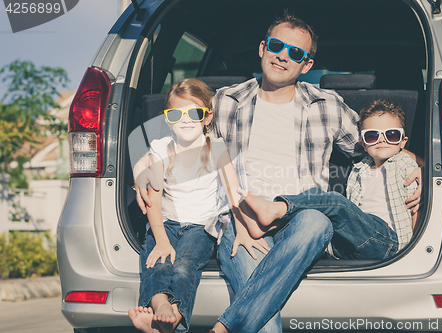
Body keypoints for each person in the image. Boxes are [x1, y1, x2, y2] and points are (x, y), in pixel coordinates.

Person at [134, 13, 422, 333]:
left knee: (317, 219)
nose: (283, 55)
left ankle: (226, 326)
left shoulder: (328, 105)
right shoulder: (226, 101)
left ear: (307, 65)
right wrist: (143, 169)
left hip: (299, 221)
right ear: (263, 48)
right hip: (241, 221)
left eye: (296, 53)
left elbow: (378, 142)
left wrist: (413, 163)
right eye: (276, 45)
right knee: (266, 321)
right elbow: (178, 134)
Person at [127, 78, 259, 333]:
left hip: (202, 226)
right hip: (165, 222)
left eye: (194, 113)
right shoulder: (161, 149)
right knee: (156, 261)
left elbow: (233, 191)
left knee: (186, 266)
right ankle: (163, 306)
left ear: (207, 117)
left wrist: (243, 230)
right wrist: (162, 238)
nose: (185, 120)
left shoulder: (217, 148)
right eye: (176, 114)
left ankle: (172, 318)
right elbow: (153, 195)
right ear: (168, 120)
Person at [238, 100, 421, 260]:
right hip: (354, 244)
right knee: (317, 206)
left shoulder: (405, 164)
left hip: (388, 240)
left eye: (391, 135)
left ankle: (275, 209)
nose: (382, 140)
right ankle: (274, 224)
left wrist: (415, 249)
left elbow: (415, 211)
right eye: (372, 136)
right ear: (363, 144)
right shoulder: (360, 169)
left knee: (335, 202)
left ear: (403, 141)